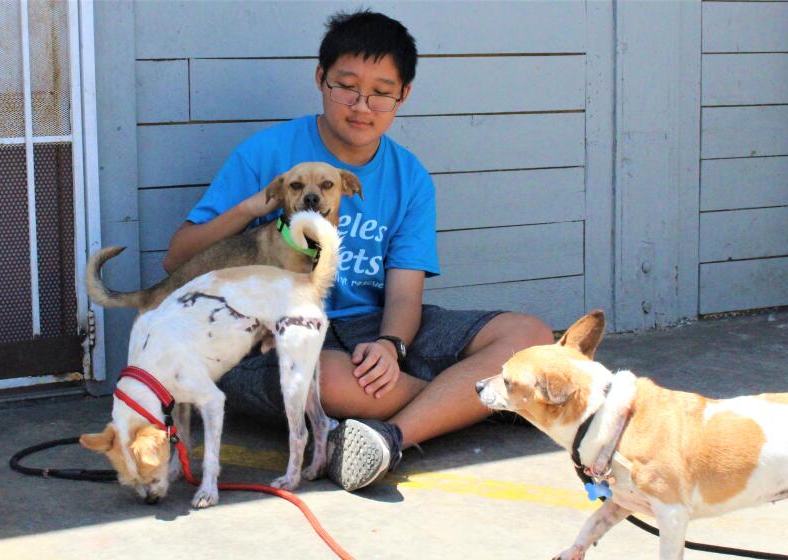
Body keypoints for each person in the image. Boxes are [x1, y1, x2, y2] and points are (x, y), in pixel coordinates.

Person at [164, 10, 553, 492]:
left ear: (403, 95)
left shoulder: (409, 177)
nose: (361, 105)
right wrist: (251, 207)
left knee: (530, 335)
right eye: (345, 85)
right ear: (320, 78)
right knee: (326, 378)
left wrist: (391, 346)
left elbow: (404, 295)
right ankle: (481, 400)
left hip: (372, 328)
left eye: (381, 91)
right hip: (274, 333)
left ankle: (389, 436)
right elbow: (177, 259)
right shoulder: (267, 153)